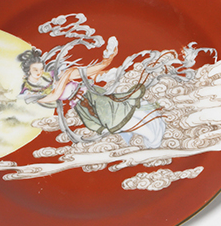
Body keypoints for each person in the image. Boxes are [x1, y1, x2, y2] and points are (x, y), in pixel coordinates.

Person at [18, 38, 165, 148]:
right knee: (114, 119)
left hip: (91, 95)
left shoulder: (52, 75)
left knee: (118, 113)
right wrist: (64, 78)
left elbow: (73, 76)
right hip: (82, 104)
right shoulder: (31, 91)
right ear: (27, 70)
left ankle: (106, 64)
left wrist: (103, 65)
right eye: (35, 70)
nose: (39, 72)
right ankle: (145, 137)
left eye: (40, 69)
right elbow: (54, 96)